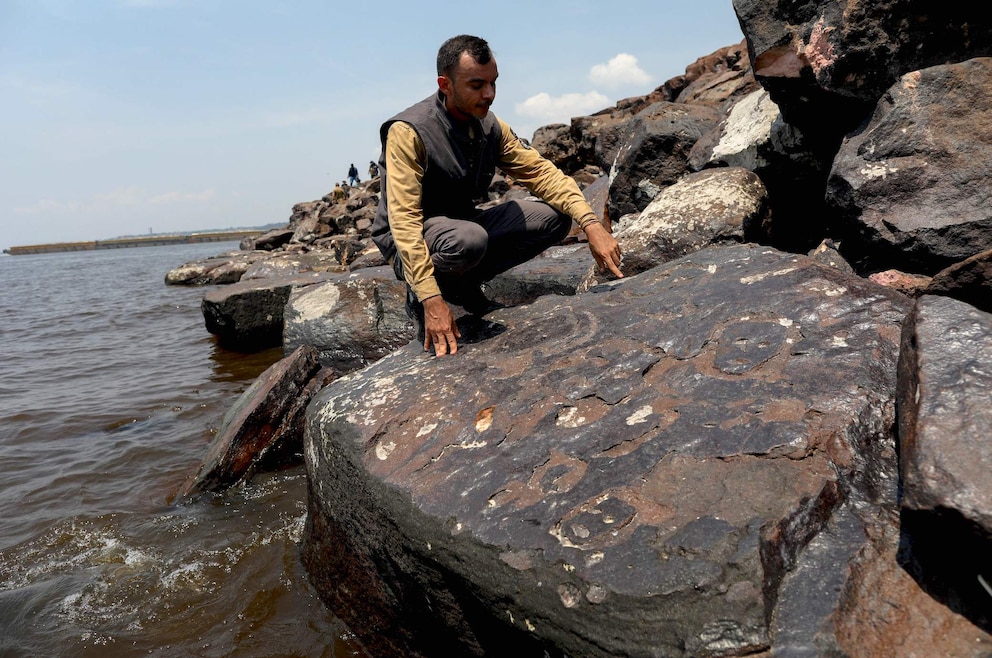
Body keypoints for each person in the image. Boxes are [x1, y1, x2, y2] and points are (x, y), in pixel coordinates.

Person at [372, 34, 622, 357]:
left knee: (555, 219)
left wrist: (590, 223)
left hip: (460, 225)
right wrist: (431, 299)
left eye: (493, 83)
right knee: (469, 241)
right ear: (445, 85)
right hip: (414, 235)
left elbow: (541, 173)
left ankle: (461, 287)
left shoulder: (489, 126)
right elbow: (403, 220)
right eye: (477, 85)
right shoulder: (408, 132)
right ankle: (426, 291)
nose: (489, 94)